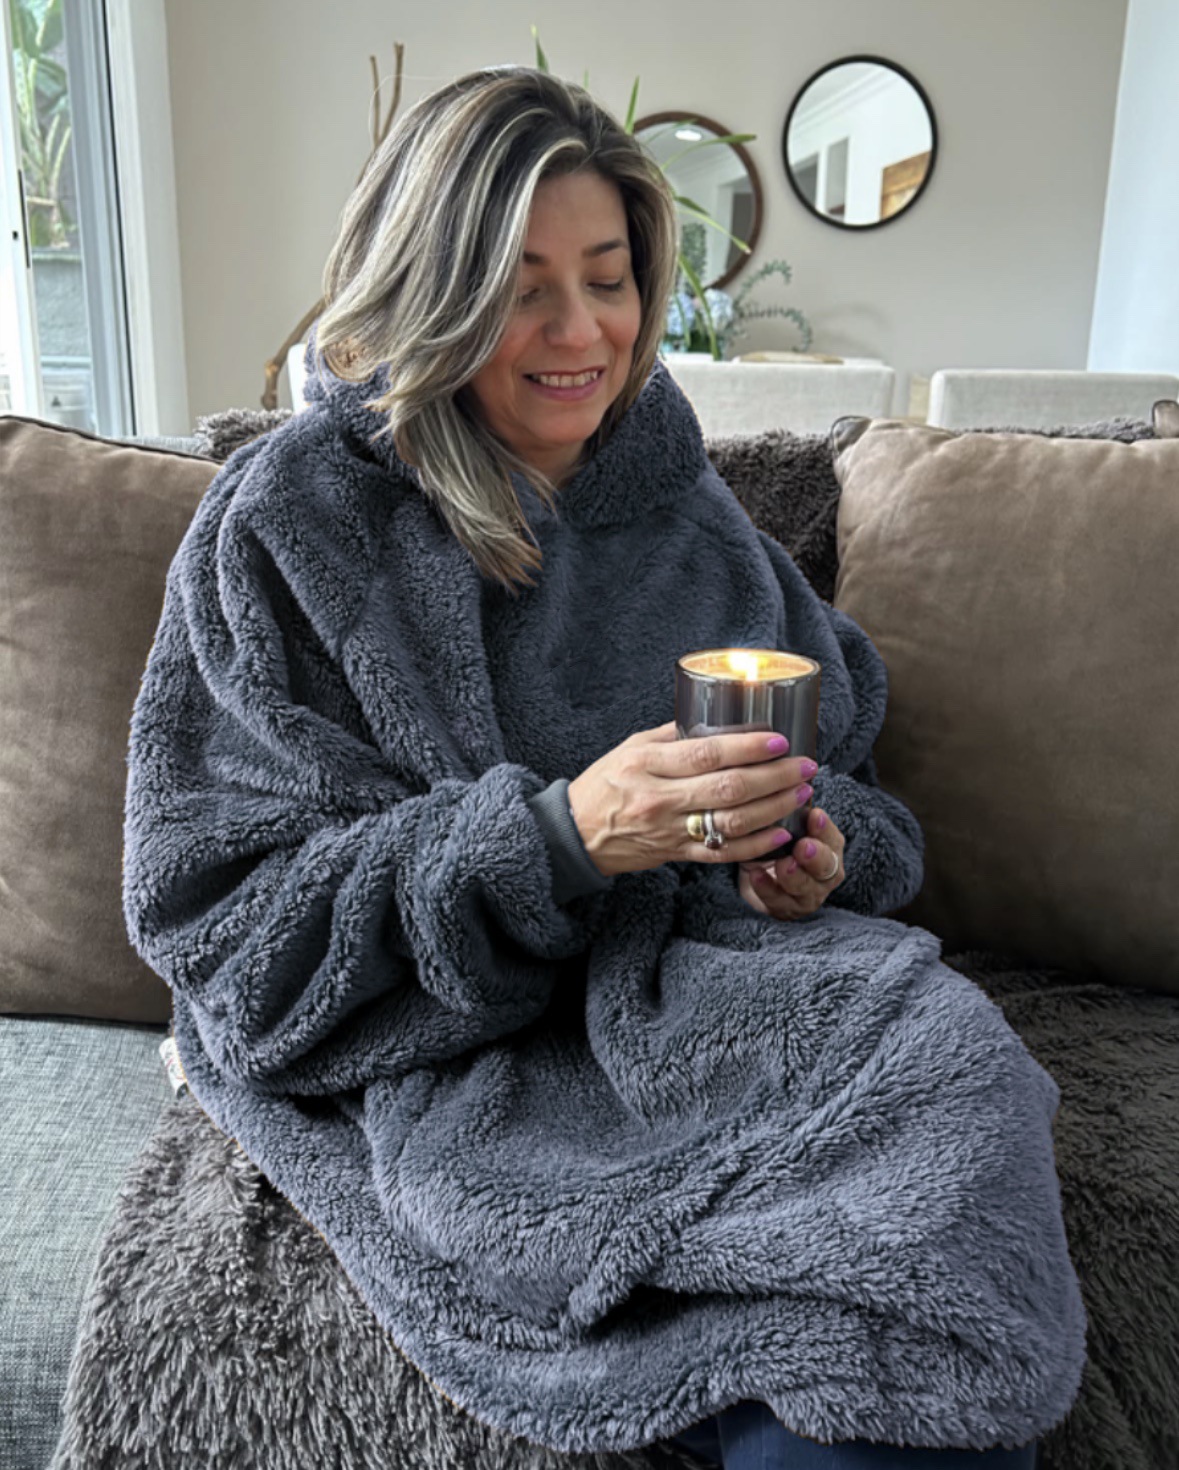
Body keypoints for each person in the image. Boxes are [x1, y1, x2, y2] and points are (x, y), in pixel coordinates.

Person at [122, 66, 1083, 1470]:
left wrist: (808, 856)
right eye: (522, 290)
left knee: (958, 1076)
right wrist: (562, 837)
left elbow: (854, 783)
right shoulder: (292, 526)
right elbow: (231, 929)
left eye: (609, 278)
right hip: (476, 1047)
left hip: (722, 989)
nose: (581, 333)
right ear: (433, 292)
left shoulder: (684, 506)